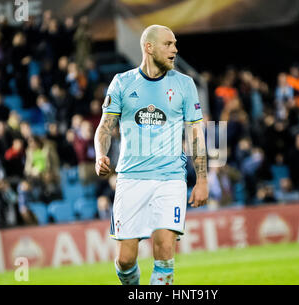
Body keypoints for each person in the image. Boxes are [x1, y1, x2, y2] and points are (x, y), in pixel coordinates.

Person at [94, 25, 208, 285]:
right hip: (131, 178)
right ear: (149, 47)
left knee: (165, 251)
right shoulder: (123, 83)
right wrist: (100, 155)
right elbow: (105, 127)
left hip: (170, 179)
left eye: (175, 44)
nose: (175, 50)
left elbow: (195, 136)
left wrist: (201, 179)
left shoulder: (185, 84)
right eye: (168, 44)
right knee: (125, 260)